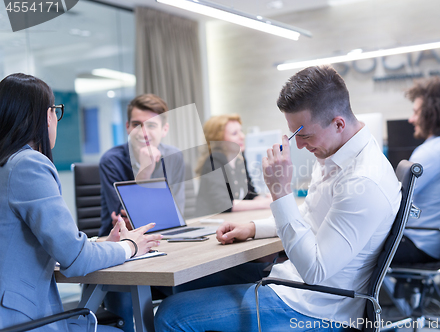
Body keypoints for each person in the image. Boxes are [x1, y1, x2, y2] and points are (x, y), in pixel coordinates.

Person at [154, 65, 401, 331]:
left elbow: (315, 271)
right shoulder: (335, 152)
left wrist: (281, 192)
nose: (299, 146)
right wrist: (253, 228)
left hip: (315, 308)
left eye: (304, 135)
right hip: (295, 285)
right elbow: (308, 217)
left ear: (338, 123)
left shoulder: (363, 181)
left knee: (172, 314)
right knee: (179, 285)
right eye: (295, 135)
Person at [0, 73, 161, 331]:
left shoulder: (7, 164)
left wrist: (103, 245)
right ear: (45, 116)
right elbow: (75, 260)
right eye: (55, 111)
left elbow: (25, 245)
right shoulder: (28, 165)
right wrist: (130, 246)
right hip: (22, 321)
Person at [392, 77, 440, 264]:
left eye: (416, 113)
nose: (411, 119)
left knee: (357, 255)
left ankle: (387, 295)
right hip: (435, 242)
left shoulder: (432, 152)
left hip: (420, 243)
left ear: (431, 114)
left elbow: (394, 197)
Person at [98, 94, 185, 237]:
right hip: (120, 242)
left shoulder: (174, 156)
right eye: (136, 124)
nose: (143, 133)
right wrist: (145, 171)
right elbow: (127, 221)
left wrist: (143, 214)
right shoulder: (111, 161)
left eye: (151, 125)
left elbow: (176, 212)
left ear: (164, 129)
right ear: (127, 127)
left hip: (167, 235)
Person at [195, 114, 272, 216]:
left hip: (233, 219)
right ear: (219, 140)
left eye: (241, 131)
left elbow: (250, 194)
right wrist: (262, 204)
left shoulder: (240, 159)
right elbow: (224, 204)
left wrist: (266, 199)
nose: (242, 136)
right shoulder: (214, 162)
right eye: (235, 133)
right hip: (211, 223)